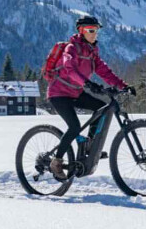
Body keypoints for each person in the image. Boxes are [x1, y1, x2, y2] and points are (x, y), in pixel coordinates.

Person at [47, 15, 136, 180]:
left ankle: (89, 144)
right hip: (59, 94)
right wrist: (87, 83)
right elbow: (69, 68)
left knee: (101, 107)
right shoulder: (71, 49)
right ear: (81, 31)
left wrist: (123, 85)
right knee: (74, 126)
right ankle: (56, 161)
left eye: (97, 31)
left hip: (75, 92)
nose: (95, 34)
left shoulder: (92, 51)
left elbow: (104, 71)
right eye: (91, 30)